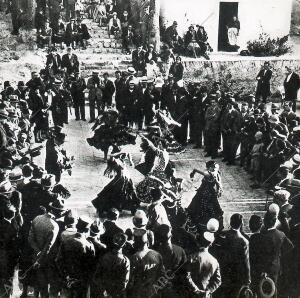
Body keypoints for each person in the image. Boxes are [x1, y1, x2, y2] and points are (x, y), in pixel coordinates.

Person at [28, 198, 66, 298]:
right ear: (58, 212)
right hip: (47, 260)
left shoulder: (37, 218)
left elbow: (30, 239)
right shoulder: (54, 226)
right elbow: (48, 247)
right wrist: (40, 259)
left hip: (35, 256)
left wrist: (37, 253)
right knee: (47, 285)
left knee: (39, 283)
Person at [56, 216, 95, 298]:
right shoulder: (89, 245)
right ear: (87, 230)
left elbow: (58, 260)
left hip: (67, 279)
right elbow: (91, 266)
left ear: (77, 227)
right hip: (81, 282)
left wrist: (66, 276)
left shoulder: (66, 242)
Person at [219, 214, 251, 298]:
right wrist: (248, 280)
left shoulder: (223, 236)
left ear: (230, 222)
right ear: (241, 224)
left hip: (224, 272)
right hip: (237, 275)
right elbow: (246, 262)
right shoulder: (244, 241)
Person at [128, 228, 165, 298]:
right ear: (147, 241)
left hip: (140, 292)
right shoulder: (157, 254)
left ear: (135, 242)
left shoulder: (135, 257)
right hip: (154, 290)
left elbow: (132, 279)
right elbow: (162, 273)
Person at [188, 160, 223, 230]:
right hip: (207, 191)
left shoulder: (209, 173)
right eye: (212, 167)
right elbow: (218, 183)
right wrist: (219, 189)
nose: (213, 168)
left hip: (206, 192)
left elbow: (196, 170)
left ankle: (202, 220)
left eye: (213, 167)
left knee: (201, 205)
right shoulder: (213, 172)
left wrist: (193, 172)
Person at [94, 232, 130, 297]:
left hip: (103, 293)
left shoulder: (104, 257)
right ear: (124, 245)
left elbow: (97, 277)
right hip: (116, 294)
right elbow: (124, 281)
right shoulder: (125, 260)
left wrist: (104, 292)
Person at [187, 231, 222, 297]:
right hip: (205, 295)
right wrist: (208, 291)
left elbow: (187, 276)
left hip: (191, 294)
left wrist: (196, 290)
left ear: (198, 242)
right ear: (210, 244)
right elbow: (218, 281)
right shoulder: (214, 261)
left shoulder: (191, 257)